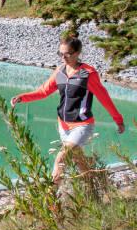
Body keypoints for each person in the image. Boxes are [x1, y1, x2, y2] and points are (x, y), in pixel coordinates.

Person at [11, 34, 125, 188]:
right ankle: (94, 188)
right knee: (79, 161)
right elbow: (43, 91)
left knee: (60, 159)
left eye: (67, 54)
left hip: (82, 125)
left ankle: (53, 200)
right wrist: (22, 97)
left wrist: (118, 120)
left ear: (77, 53)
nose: (63, 58)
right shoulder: (60, 71)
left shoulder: (88, 74)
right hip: (63, 125)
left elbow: (104, 98)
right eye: (60, 54)